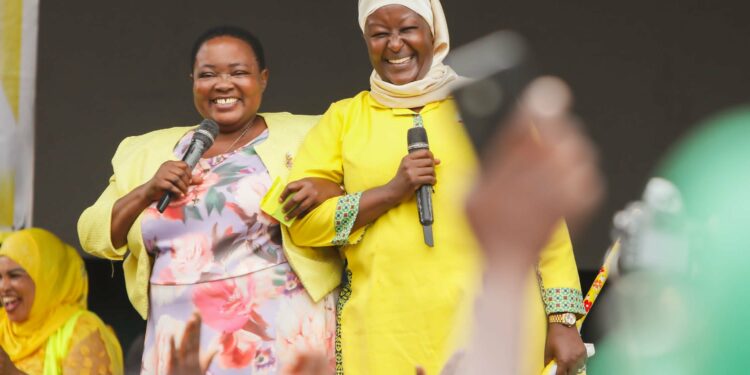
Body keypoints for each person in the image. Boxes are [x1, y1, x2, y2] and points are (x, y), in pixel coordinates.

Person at [282, 1, 588, 373]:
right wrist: (390, 192)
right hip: (386, 331)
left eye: (407, 29)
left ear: (434, 33)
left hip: (492, 321)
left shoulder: (485, 104)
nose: (394, 45)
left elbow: (542, 210)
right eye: (379, 34)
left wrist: (563, 318)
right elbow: (302, 224)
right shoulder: (344, 119)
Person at [78, 26, 343, 374]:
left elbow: (362, 189)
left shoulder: (311, 134)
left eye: (239, 72)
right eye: (208, 74)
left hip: (279, 335)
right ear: (193, 81)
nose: (223, 84)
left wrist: (331, 190)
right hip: (183, 340)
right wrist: (146, 190)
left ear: (262, 79)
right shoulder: (146, 151)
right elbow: (92, 235)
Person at [0, 228, 124, 375]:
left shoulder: (81, 329)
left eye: (15, 276)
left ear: (47, 277)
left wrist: (11, 372)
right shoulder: (3, 325)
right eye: (0, 277)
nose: (4, 287)